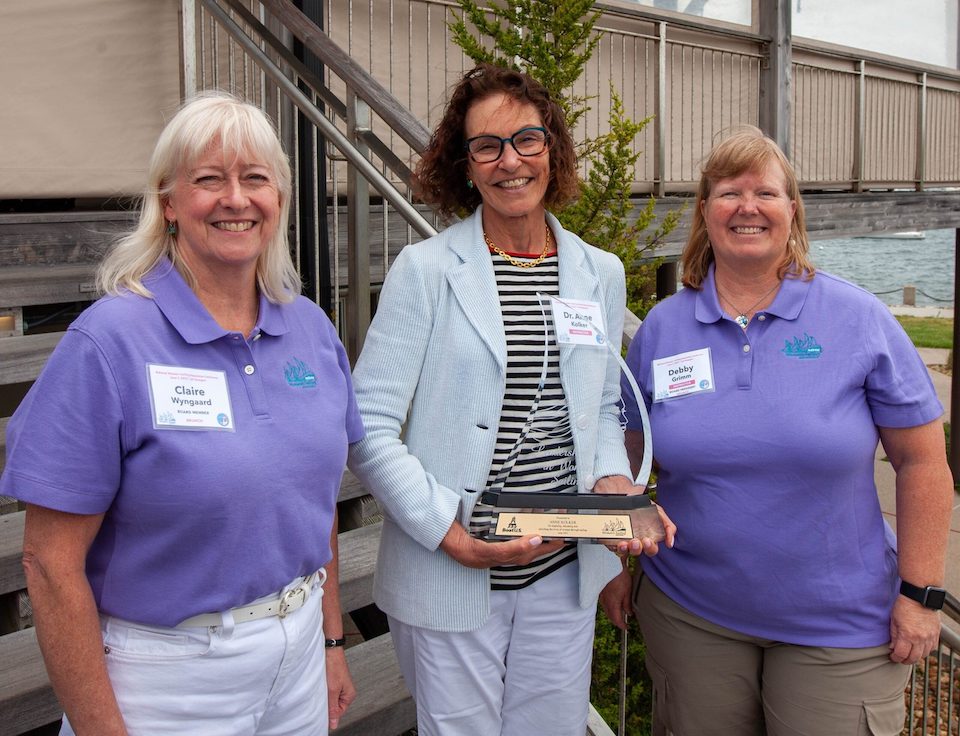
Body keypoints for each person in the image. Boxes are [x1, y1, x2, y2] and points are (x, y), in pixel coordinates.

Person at [0, 92, 362, 735]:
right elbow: (49, 565)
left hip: (299, 655)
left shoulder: (308, 327)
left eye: (256, 178)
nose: (235, 198)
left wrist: (332, 644)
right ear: (168, 203)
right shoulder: (110, 342)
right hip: (170, 680)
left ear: (277, 200)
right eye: (208, 180)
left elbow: (313, 505)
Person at [347, 63, 675, 736]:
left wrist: (613, 480)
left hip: (563, 570)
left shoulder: (598, 273)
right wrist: (450, 533)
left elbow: (599, 409)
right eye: (486, 147)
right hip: (452, 571)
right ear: (465, 167)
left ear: (551, 148)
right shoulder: (427, 272)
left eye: (526, 139)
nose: (510, 161)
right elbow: (369, 426)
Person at [601, 126, 954, 735]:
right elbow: (624, 460)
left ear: (792, 209)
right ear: (705, 212)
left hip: (839, 627)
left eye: (765, 192)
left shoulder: (858, 319)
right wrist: (613, 561)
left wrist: (921, 596)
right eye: (728, 192)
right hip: (692, 614)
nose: (747, 207)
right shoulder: (664, 328)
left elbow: (923, 464)